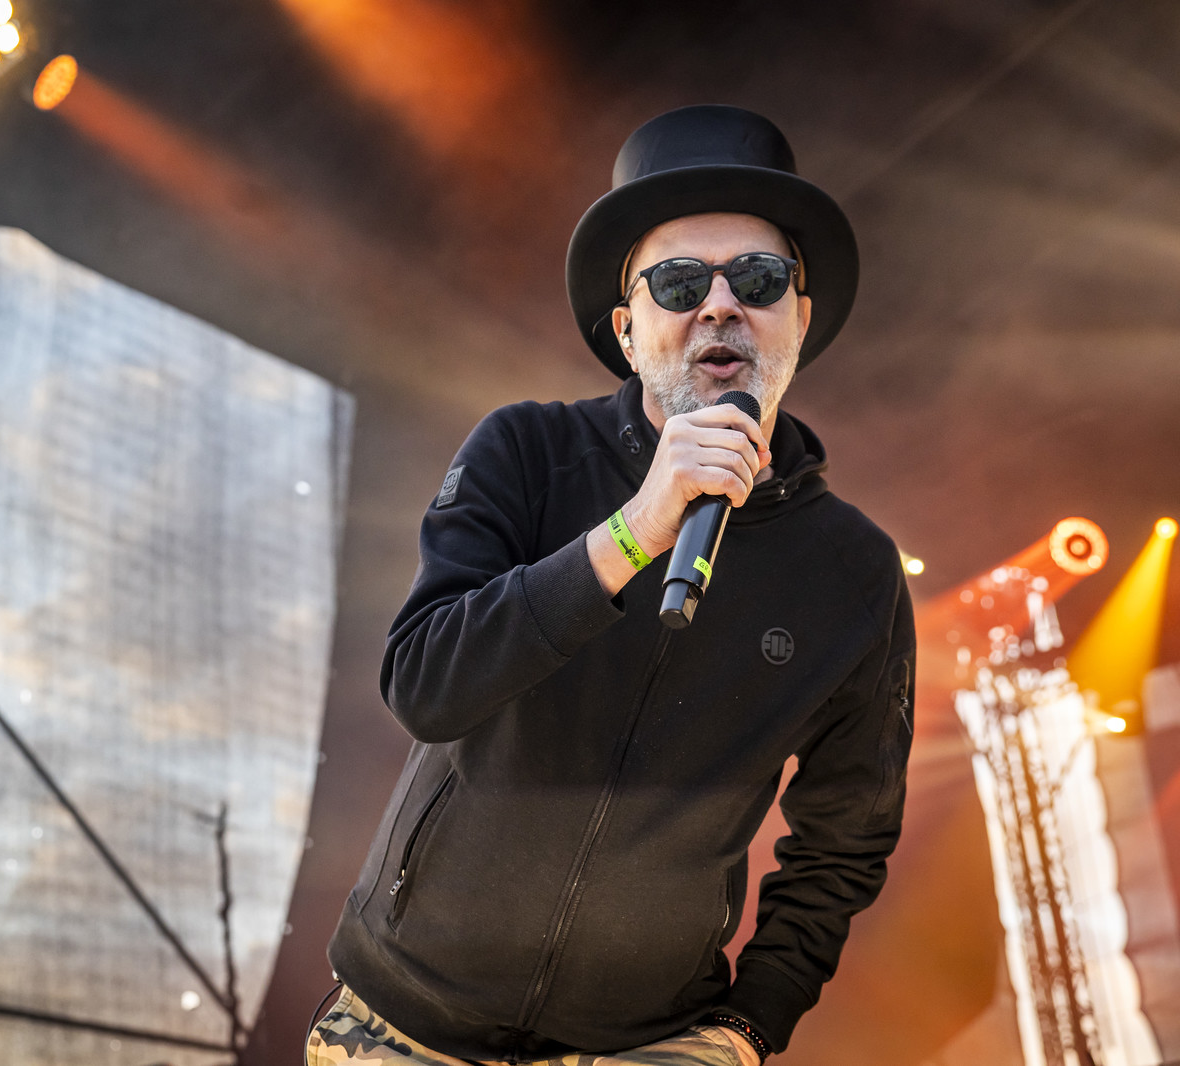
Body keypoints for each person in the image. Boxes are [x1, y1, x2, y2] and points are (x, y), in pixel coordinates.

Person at [312, 105, 917, 1066]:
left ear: (799, 321)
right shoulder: (527, 451)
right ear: (629, 333)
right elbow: (424, 686)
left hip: (645, 1045)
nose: (719, 307)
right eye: (679, 282)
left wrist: (749, 1027)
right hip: (404, 1026)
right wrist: (635, 530)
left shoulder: (854, 571)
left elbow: (845, 842)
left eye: (759, 279)